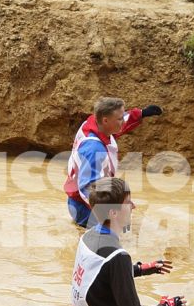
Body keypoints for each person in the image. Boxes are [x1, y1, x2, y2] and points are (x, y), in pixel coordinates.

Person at [66, 176, 183, 306]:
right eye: (128, 203)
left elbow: (100, 278)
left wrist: (143, 269)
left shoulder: (88, 237)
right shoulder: (117, 256)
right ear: (113, 212)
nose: (134, 207)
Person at [64, 95, 162, 226]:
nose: (122, 121)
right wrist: (111, 211)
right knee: (113, 233)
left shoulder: (94, 123)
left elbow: (119, 121)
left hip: (79, 200)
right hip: (83, 207)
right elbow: (87, 189)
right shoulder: (94, 149)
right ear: (105, 120)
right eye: (119, 119)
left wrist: (140, 114)